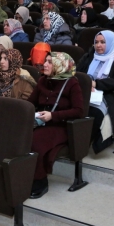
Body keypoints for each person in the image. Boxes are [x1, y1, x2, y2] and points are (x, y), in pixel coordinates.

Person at [28, 52, 83, 199]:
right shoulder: (42, 81)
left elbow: (78, 111)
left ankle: (40, 181)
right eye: (45, 61)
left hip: (61, 125)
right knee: (21, 136)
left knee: (35, 142)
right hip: (41, 121)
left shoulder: (72, 83)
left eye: (50, 62)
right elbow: (29, 103)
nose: (44, 64)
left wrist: (53, 116)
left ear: (60, 66)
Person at [76, 31, 114, 154]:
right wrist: (87, 83)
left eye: (103, 42)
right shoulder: (90, 55)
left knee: (95, 113)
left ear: (110, 43)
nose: (98, 45)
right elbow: (77, 72)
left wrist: (96, 84)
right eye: (96, 42)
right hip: (84, 91)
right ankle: (74, 142)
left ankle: (83, 144)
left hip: (104, 95)